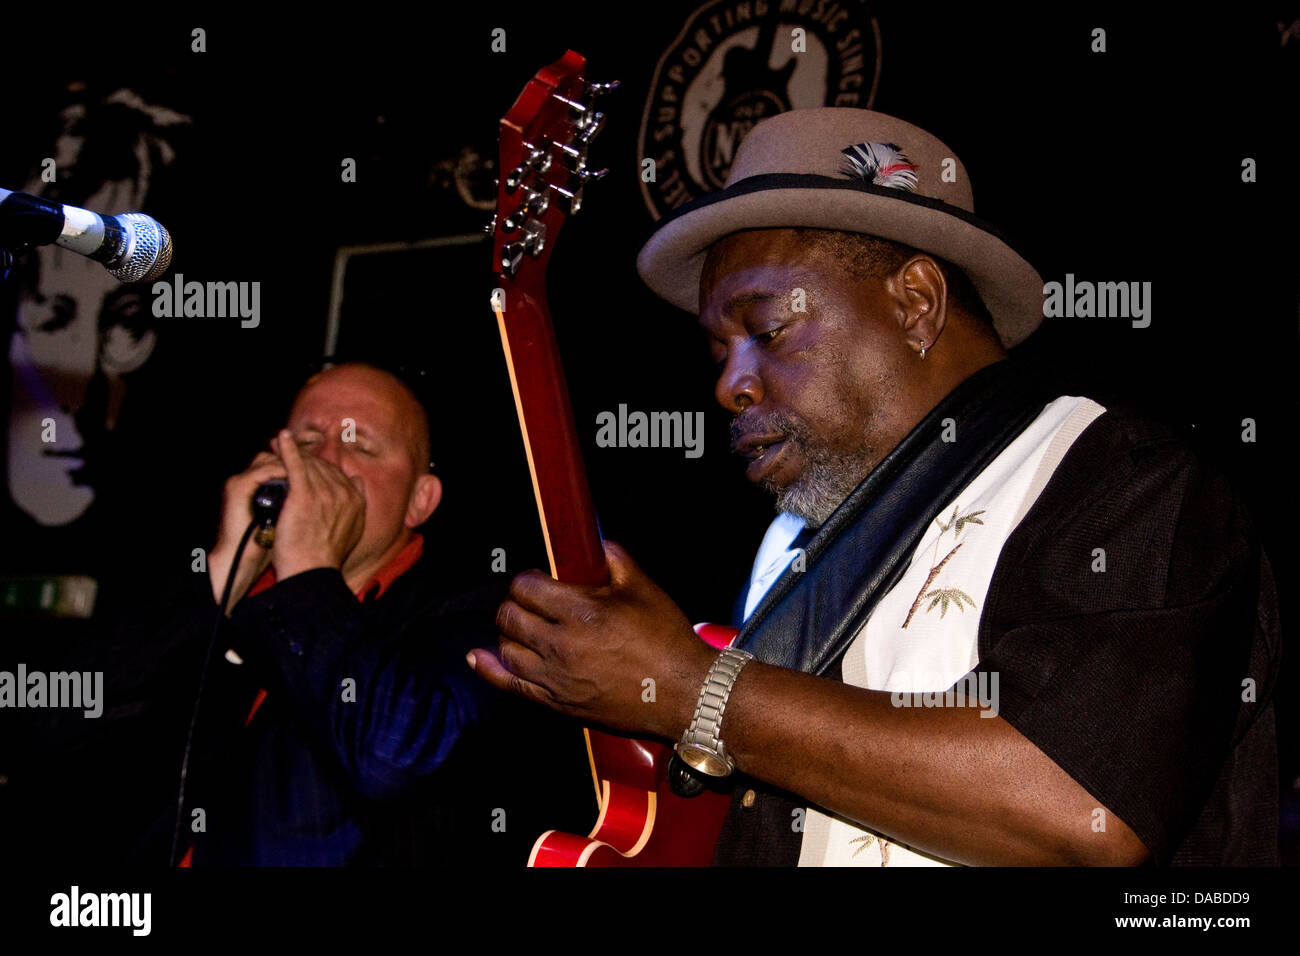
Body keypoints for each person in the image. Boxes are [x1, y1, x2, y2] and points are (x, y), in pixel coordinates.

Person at [469, 109, 1281, 866]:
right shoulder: (795, 559)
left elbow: (1082, 807)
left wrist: (691, 690)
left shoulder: (1114, 476)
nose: (729, 386)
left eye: (766, 330)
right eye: (718, 352)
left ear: (916, 302)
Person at [113, 360, 529, 866]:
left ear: (420, 500)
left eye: (361, 447)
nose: (326, 463)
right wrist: (223, 578)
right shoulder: (234, 598)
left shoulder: (471, 613)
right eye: (306, 445)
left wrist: (310, 570)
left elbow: (394, 755)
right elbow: (54, 729)